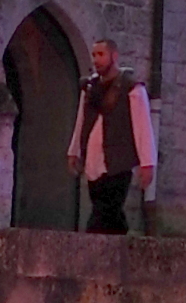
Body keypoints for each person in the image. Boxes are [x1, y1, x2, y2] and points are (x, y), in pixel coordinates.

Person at [67, 39, 156, 235]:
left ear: (113, 56)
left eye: (101, 54)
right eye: (94, 55)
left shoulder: (132, 89)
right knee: (108, 214)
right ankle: (120, 250)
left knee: (106, 210)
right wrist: (74, 150)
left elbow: (143, 126)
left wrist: (147, 162)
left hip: (118, 160)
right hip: (93, 160)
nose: (96, 60)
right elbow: (81, 121)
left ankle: (93, 247)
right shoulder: (89, 88)